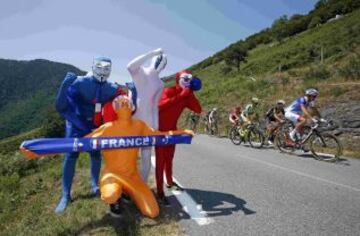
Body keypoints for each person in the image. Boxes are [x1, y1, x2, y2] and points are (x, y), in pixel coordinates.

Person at [86, 95, 193, 218]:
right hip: (112, 174)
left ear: (132, 107)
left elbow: (160, 135)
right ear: (115, 108)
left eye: (127, 103)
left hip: (132, 175)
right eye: (121, 104)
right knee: (110, 195)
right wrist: (58, 147)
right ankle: (116, 200)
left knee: (153, 212)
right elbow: (82, 142)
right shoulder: (107, 128)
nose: (125, 105)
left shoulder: (139, 126)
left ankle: (126, 190)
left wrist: (181, 132)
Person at [54, 57, 125, 213]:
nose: (103, 70)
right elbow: (61, 106)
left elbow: (126, 107)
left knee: (95, 154)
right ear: (93, 66)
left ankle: (95, 184)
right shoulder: (79, 83)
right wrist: (64, 85)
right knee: (71, 156)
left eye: (107, 68)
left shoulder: (112, 88)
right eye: (100, 67)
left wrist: (133, 92)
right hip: (76, 125)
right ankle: (65, 195)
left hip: (95, 126)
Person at [155, 70, 202, 205]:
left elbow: (198, 109)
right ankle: (159, 191)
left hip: (173, 131)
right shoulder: (169, 91)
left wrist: (190, 93)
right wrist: (180, 96)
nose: (188, 81)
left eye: (190, 79)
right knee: (160, 161)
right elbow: (159, 107)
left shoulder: (186, 95)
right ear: (178, 79)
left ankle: (169, 182)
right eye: (185, 79)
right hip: (160, 131)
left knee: (169, 158)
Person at [126, 48, 167, 182]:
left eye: (163, 62)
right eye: (159, 59)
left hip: (148, 123)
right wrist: (152, 53)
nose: (160, 62)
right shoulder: (141, 72)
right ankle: (129, 185)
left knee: (146, 156)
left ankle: (142, 184)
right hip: (133, 120)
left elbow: (155, 106)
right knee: (130, 155)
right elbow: (130, 66)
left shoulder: (160, 84)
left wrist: (156, 126)